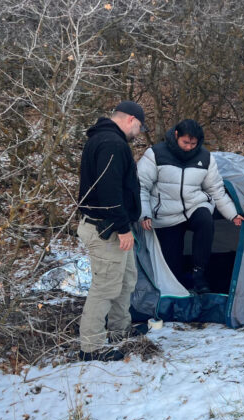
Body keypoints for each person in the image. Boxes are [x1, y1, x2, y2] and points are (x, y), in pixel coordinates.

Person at [76, 101, 149, 362]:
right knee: (105, 287)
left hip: (114, 227)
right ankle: (91, 347)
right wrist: (122, 227)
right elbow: (109, 192)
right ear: (130, 119)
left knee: (126, 279)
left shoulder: (106, 140)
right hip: (106, 229)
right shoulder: (112, 144)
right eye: (139, 127)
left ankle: (119, 330)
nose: (138, 133)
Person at [138, 119, 244, 294]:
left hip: (194, 206)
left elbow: (215, 189)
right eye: (185, 142)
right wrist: (145, 214)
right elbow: (141, 185)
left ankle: (199, 272)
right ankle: (178, 286)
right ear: (176, 135)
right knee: (172, 265)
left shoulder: (205, 157)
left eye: (193, 144)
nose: (189, 147)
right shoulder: (155, 154)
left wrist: (232, 214)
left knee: (205, 219)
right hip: (166, 213)